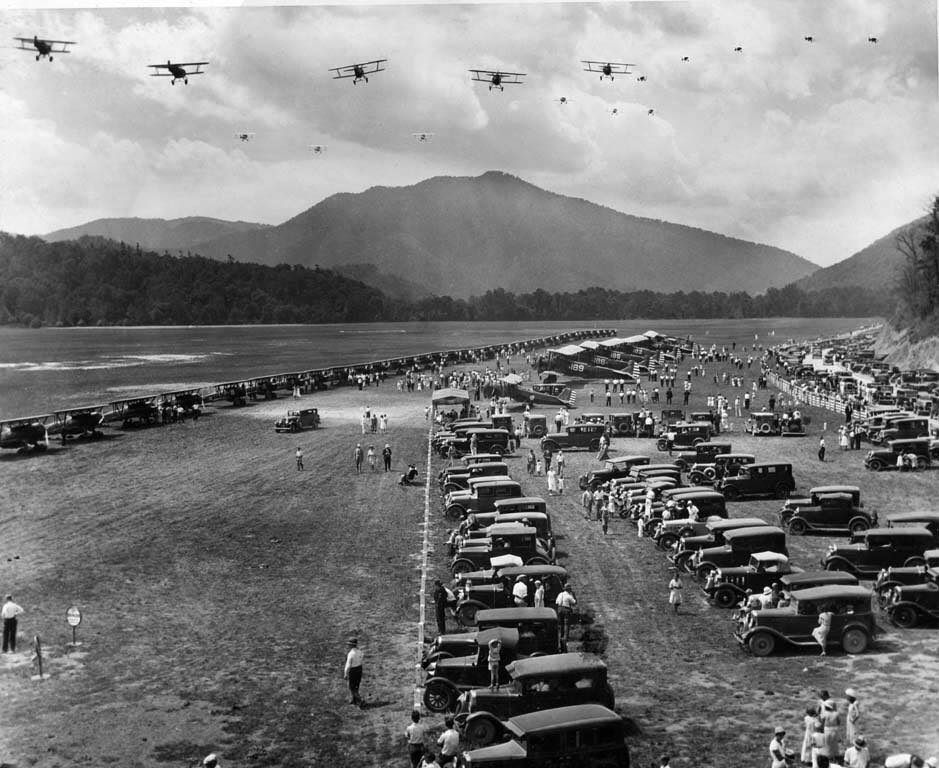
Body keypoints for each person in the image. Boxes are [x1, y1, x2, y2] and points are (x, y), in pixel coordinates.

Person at [343, 637, 364, 707]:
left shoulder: (351, 654)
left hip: (353, 671)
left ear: (351, 645)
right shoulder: (360, 652)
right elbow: (361, 658)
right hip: (359, 669)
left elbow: (348, 665)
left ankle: (360, 700)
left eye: (349, 644)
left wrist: (345, 673)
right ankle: (353, 700)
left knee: (351, 687)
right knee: (356, 686)